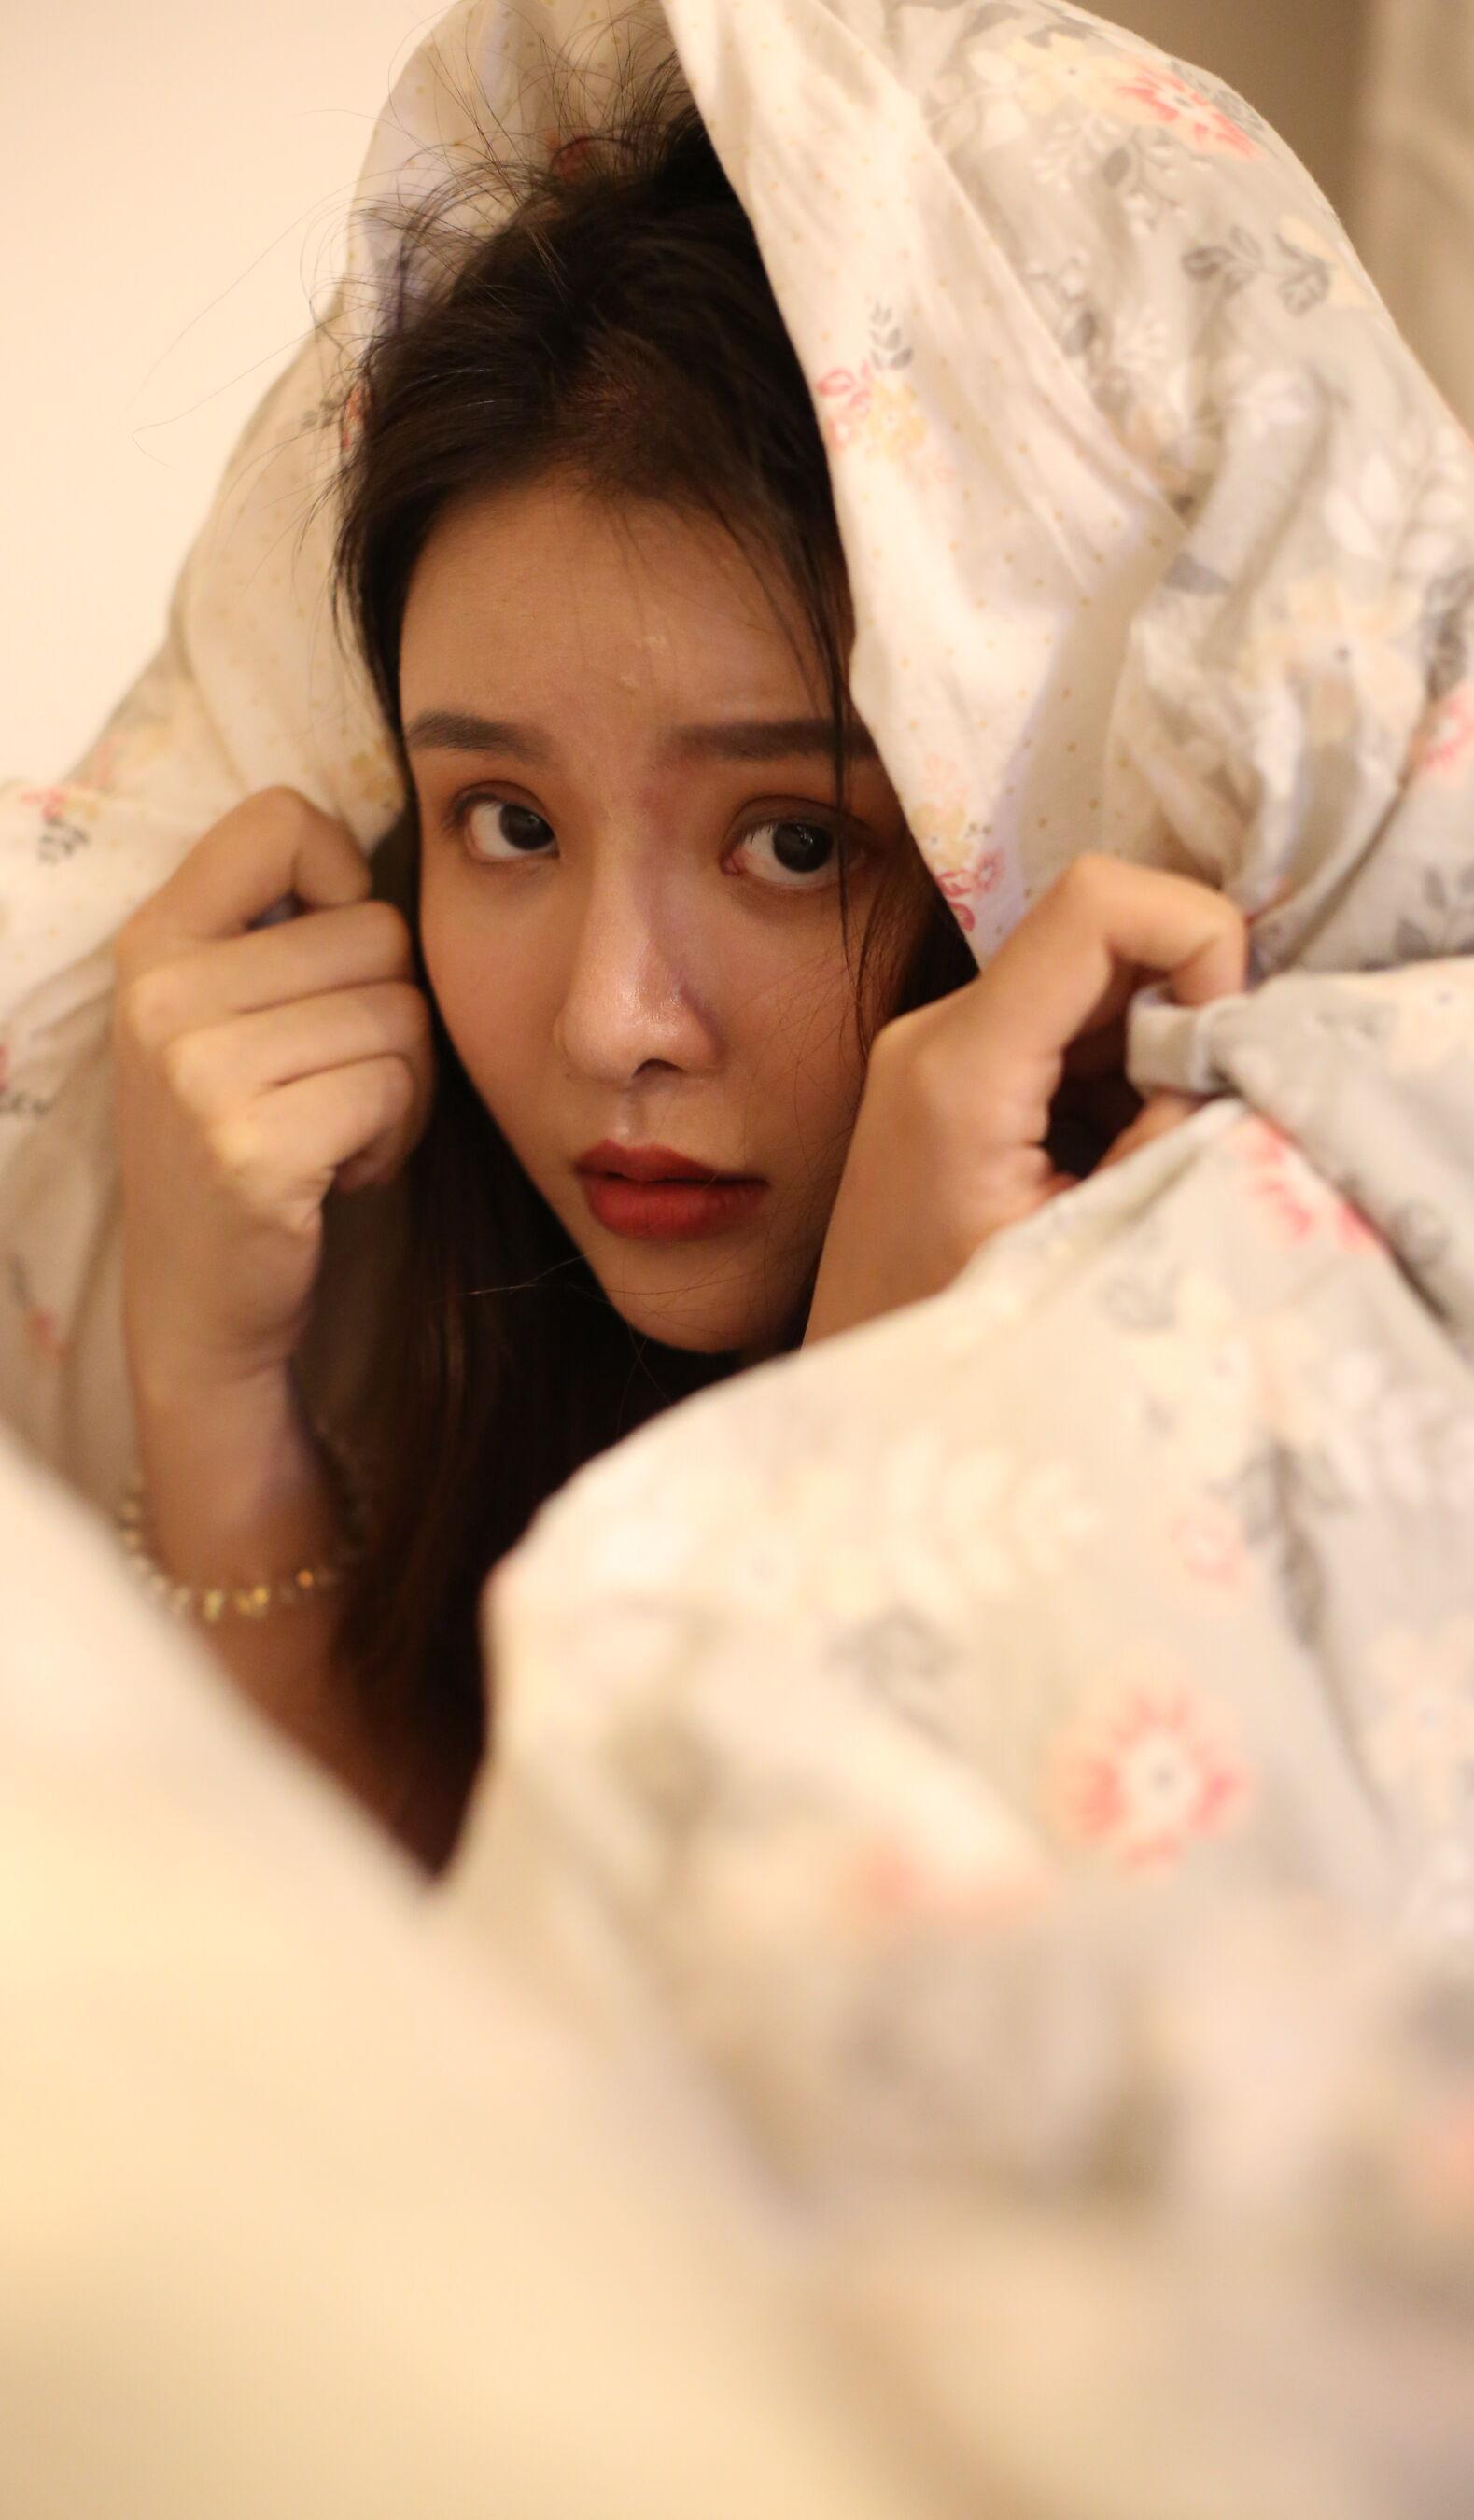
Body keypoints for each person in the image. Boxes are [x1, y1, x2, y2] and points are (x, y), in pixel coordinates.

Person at [107, 91, 1246, 1868]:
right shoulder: (460, 1337)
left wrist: (877, 1425)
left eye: (793, 842)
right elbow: (428, 2001)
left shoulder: (1264, 1405)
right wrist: (205, 1381)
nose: (610, 1023)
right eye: (507, 823)